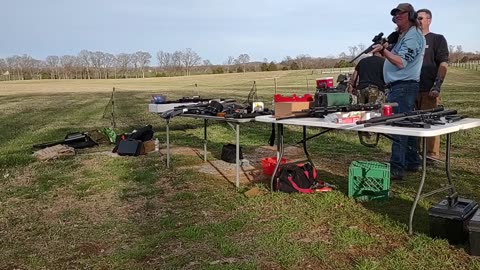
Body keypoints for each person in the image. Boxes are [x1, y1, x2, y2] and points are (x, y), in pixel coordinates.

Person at [371, 3, 426, 180]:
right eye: (394, 15)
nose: (396, 18)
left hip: (403, 86)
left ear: (410, 15)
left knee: (398, 126)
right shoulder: (404, 36)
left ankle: (396, 167)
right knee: (407, 125)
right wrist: (382, 51)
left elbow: (401, 62)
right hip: (400, 86)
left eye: (400, 14)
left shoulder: (413, 37)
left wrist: (384, 50)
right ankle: (412, 162)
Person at [416, 8, 449, 163]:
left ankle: (430, 155)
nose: (418, 20)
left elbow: (443, 63)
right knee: (411, 123)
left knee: (431, 123)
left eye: (421, 18)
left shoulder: (437, 39)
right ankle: (413, 154)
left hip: (429, 90)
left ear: (429, 20)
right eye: (416, 18)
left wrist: (437, 85)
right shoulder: (412, 40)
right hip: (411, 89)